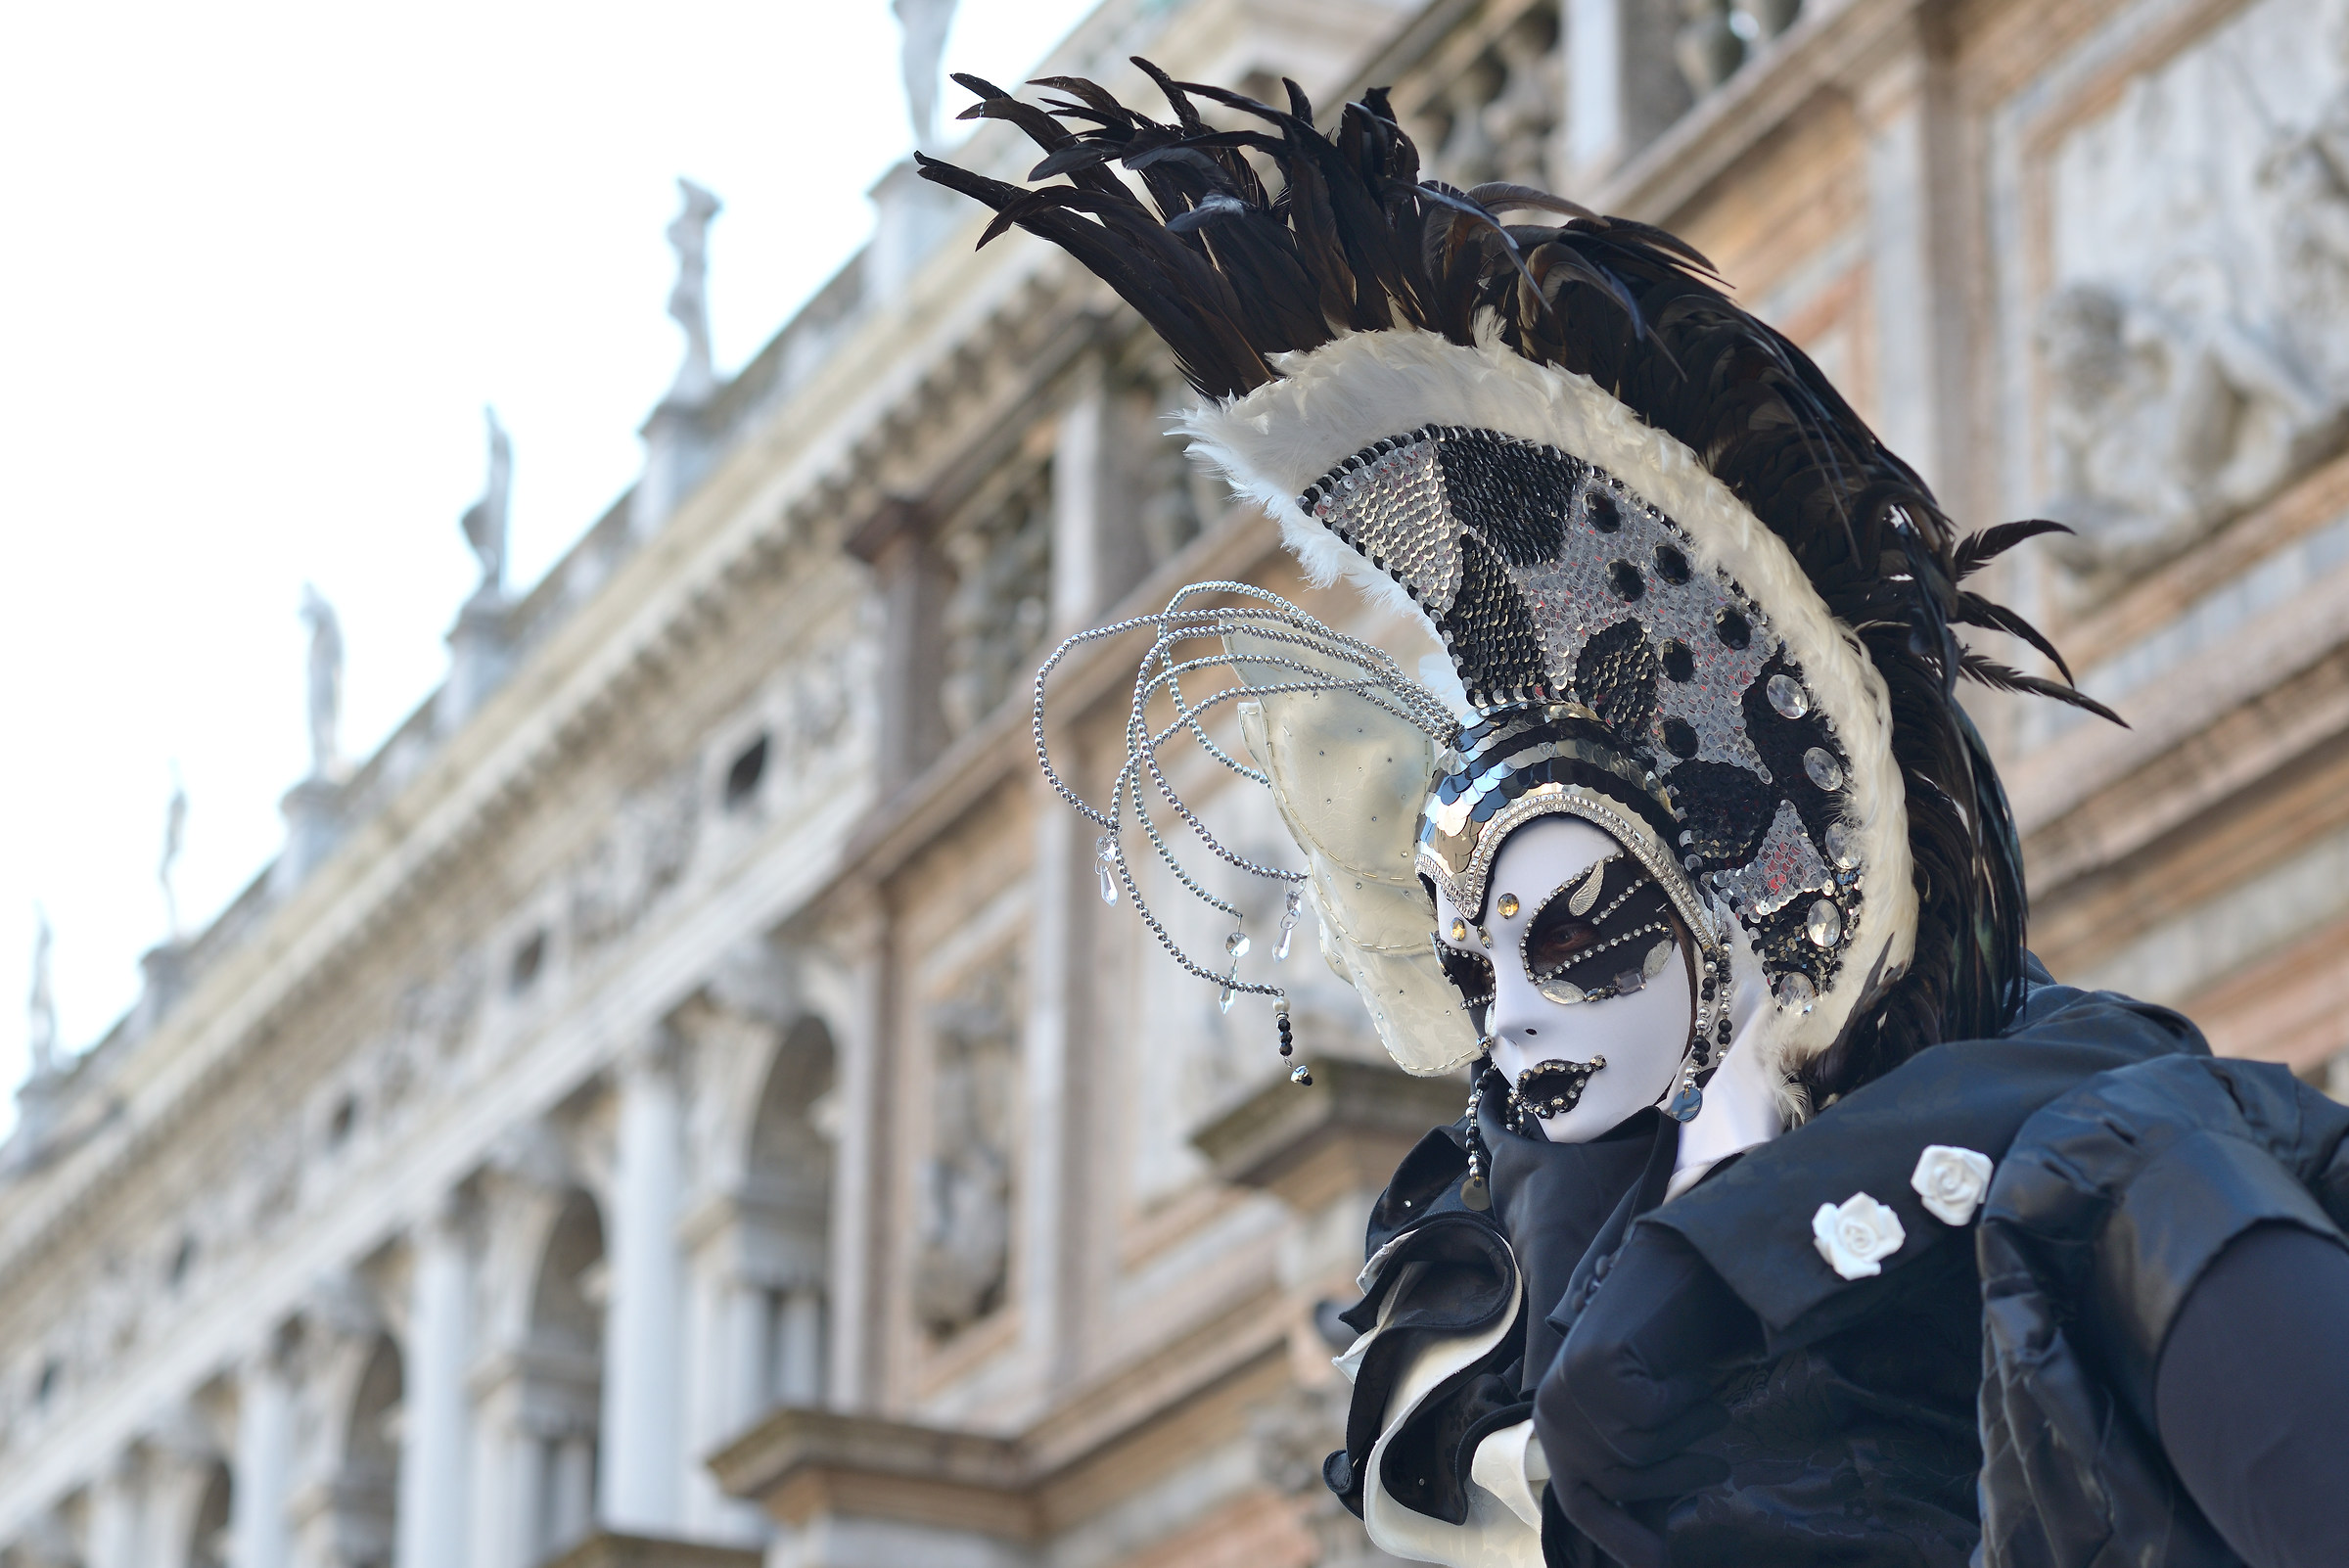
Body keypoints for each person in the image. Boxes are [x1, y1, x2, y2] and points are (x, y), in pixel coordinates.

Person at [924, 67, 2349, 1568]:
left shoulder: (2096, 1150)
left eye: (1580, 934)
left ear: (1738, 895)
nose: (1517, 1018)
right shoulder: (1539, 1311)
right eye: (1477, 969)